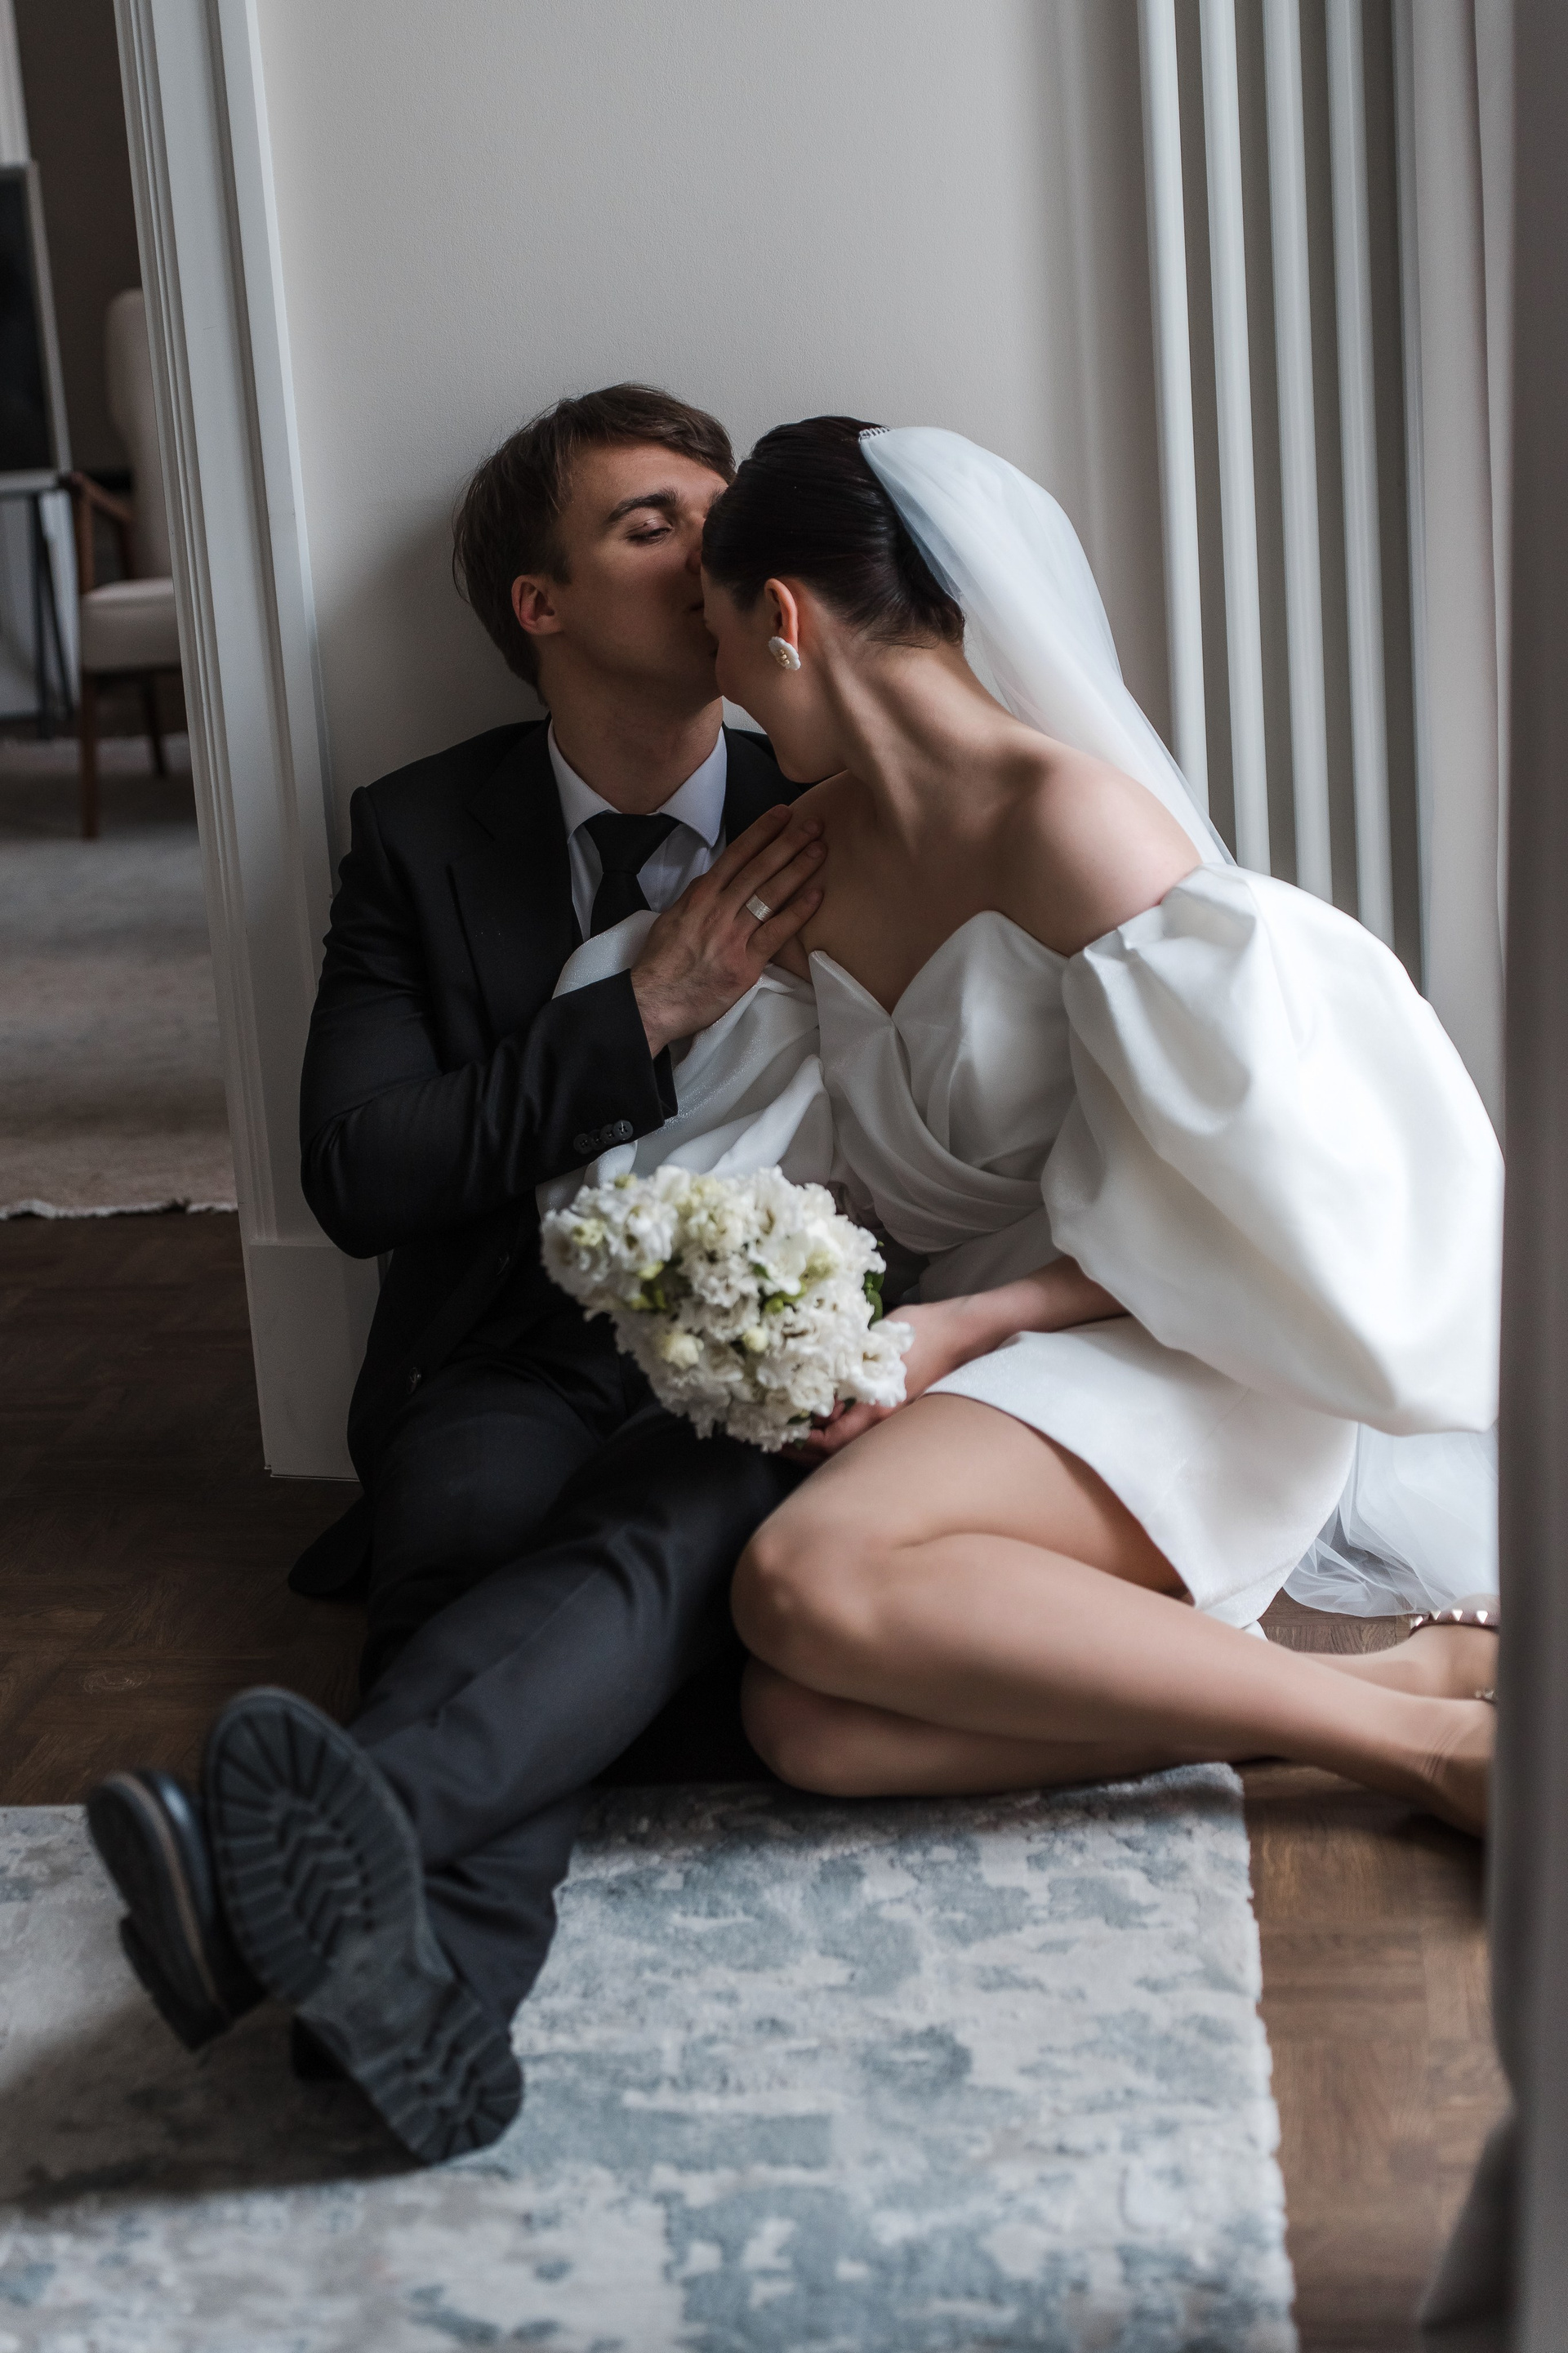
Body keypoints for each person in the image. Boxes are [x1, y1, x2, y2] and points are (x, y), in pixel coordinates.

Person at [84, 385, 830, 2164]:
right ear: (538, 603)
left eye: (719, 513)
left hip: (755, 1359)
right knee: (476, 1552)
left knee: (617, 1564)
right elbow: (362, 1170)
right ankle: (390, 2008)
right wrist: (647, 1008)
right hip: (502, 1350)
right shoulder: (420, 832)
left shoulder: (831, 808)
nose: (710, 547)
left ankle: (311, 1953)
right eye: (651, 522)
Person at [698, 418, 1504, 1835]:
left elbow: (1248, 1215)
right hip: (981, 1349)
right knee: (808, 1726)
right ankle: (1394, 1684)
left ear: (782, 619)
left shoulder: (1077, 825)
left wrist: (968, 1325)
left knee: (798, 1581)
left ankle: (1434, 1753)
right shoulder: (808, 856)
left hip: (1184, 1338)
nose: (721, 689)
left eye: (718, 641)